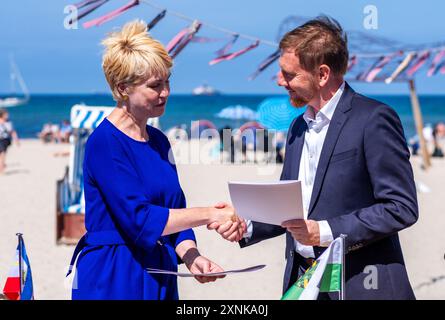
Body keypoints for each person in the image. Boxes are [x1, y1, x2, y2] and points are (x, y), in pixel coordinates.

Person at [210, 16, 418, 300]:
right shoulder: (297, 126)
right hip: (302, 283)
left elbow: (401, 207)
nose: (280, 80)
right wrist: (245, 225)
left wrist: (323, 231)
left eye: (290, 74)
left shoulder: (373, 119)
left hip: (360, 285)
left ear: (322, 74)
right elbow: (290, 208)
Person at [67, 20, 246, 300]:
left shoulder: (159, 140)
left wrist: (191, 256)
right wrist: (211, 213)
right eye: (155, 85)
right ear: (123, 87)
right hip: (115, 274)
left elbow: (175, 210)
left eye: (167, 82)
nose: (165, 93)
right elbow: (140, 219)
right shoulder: (105, 142)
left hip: (159, 273)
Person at [0, 108, 20, 174]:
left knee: (3, 154)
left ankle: (1, 169)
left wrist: (16, 140)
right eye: (6, 114)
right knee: (2, 154)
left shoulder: (9, 122)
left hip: (4, 140)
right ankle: (2, 165)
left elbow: (12, 132)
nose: (7, 116)